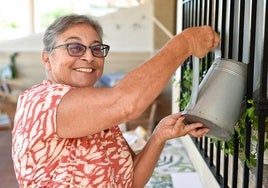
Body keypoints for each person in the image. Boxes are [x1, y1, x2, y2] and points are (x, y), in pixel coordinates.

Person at [12, 14, 219, 187]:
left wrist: (158, 136)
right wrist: (185, 43)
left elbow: (131, 181)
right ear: (47, 59)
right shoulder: (42, 102)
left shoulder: (98, 114)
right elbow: (126, 104)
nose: (89, 57)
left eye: (96, 48)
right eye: (75, 47)